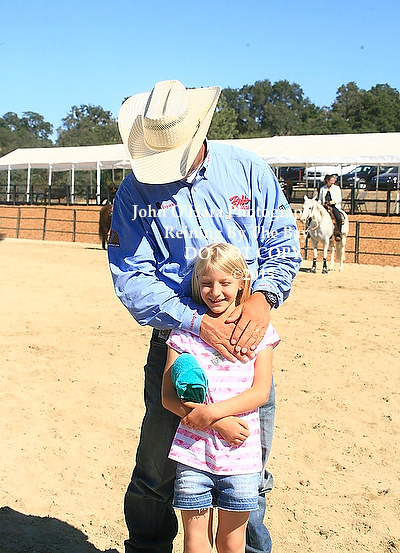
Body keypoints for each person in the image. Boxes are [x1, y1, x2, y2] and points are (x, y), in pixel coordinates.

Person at [107, 79, 301, 553]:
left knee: (247, 467)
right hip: (179, 341)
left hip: (245, 339)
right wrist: (196, 322)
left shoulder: (248, 172)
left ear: (196, 131)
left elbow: (282, 243)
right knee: (157, 469)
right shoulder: (135, 192)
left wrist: (263, 298)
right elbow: (132, 277)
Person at [162, 243, 280, 553]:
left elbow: (260, 391)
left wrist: (212, 414)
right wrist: (218, 422)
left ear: (242, 283)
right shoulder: (184, 334)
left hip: (240, 457)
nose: (215, 292)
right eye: (206, 283)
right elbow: (168, 397)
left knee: (231, 542)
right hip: (193, 454)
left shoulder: (258, 332)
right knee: (195, 542)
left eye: (225, 282)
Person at [318, 174, 343, 240]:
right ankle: (310, 231)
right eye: (331, 181)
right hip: (324, 206)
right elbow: (320, 199)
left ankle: (338, 232)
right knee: (314, 215)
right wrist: (319, 203)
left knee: (338, 218)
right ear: (327, 180)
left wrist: (334, 202)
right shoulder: (322, 188)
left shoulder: (336, 188)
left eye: (333, 180)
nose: (333, 182)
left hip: (334, 206)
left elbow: (339, 199)